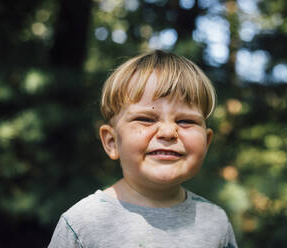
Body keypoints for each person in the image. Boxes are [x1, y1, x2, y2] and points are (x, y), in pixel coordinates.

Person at [48, 50, 238, 248]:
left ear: (206, 144)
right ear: (112, 142)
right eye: (145, 119)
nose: (168, 132)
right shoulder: (83, 224)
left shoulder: (216, 223)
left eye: (186, 121)